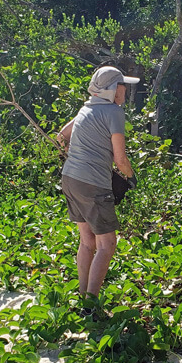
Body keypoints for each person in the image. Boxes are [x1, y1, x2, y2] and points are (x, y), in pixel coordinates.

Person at [58, 66, 138, 311]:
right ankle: (91, 305)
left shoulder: (85, 108)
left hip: (70, 178)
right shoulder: (114, 112)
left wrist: (77, 157)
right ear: (113, 90)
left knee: (87, 241)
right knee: (107, 244)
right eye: (122, 85)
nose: (125, 89)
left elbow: (62, 136)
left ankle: (84, 297)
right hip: (93, 183)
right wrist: (132, 178)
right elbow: (120, 159)